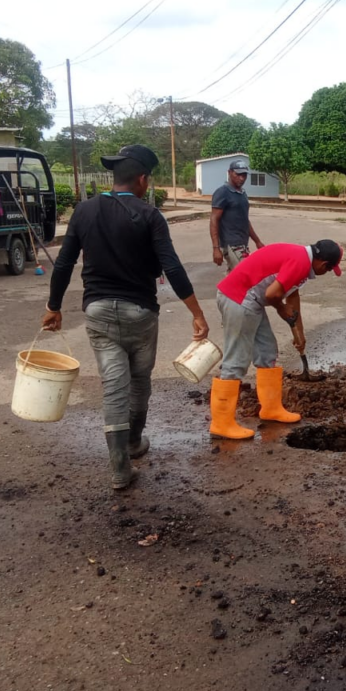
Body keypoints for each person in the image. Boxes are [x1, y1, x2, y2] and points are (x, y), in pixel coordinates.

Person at [41, 145, 210, 491]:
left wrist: (53, 307)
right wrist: (196, 313)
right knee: (139, 381)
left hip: (98, 311)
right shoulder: (150, 216)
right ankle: (133, 442)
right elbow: (172, 267)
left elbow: (64, 263)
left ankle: (120, 468)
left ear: (115, 178)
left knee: (114, 386)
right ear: (143, 180)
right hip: (140, 313)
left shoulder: (84, 210)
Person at [210, 239, 343, 439]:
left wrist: (299, 334)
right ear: (324, 264)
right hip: (239, 298)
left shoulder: (301, 258)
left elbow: (293, 297)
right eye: (330, 269)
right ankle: (221, 424)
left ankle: (271, 409)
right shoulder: (300, 262)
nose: (326, 273)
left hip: (251, 301)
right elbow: (272, 294)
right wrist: (281, 309)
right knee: (236, 360)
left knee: (267, 351)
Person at [210, 159, 264, 271]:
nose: (242, 178)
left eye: (244, 175)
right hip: (232, 245)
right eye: (238, 174)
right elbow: (214, 219)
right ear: (229, 172)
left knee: (235, 277)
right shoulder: (222, 192)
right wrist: (216, 248)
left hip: (242, 243)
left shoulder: (242, 193)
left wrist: (257, 241)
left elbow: (245, 221)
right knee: (245, 274)